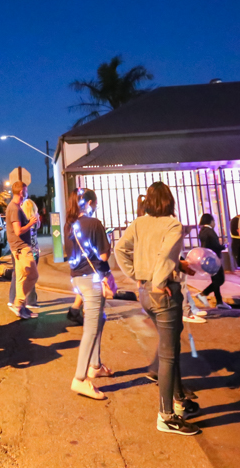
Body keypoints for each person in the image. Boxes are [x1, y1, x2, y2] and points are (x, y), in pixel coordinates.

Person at [115, 181, 200, 436]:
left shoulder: (139, 222)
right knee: (168, 354)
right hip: (163, 292)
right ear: (170, 201)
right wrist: (161, 280)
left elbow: (121, 249)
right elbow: (163, 256)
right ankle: (166, 415)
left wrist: (137, 275)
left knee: (171, 346)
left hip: (145, 292)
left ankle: (178, 399)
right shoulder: (173, 225)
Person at [66, 189, 112, 400]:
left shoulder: (70, 225)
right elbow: (103, 255)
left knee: (99, 319)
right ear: (90, 203)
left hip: (78, 277)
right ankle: (80, 379)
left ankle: (95, 365)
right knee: (91, 328)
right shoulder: (95, 224)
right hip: (93, 279)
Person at [7, 181, 40, 320]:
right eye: (26, 190)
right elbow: (18, 231)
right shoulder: (14, 208)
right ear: (21, 192)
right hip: (21, 248)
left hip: (21, 248)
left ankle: (22, 308)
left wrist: (33, 222)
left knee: (22, 279)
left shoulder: (18, 207)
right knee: (33, 275)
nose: (27, 193)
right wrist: (31, 223)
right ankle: (18, 303)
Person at [193, 214, 229, 310]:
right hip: (213, 258)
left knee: (215, 280)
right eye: (214, 221)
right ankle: (203, 293)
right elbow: (215, 245)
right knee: (220, 279)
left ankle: (219, 301)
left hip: (207, 259)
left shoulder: (202, 231)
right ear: (211, 221)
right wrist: (224, 246)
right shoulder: (209, 231)